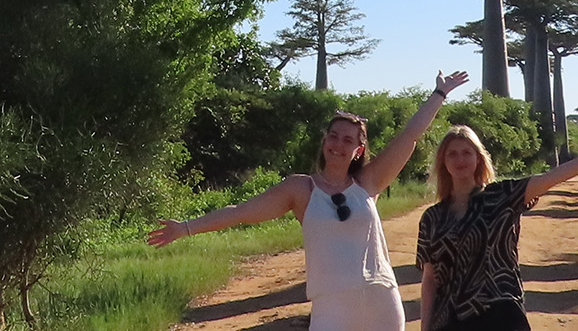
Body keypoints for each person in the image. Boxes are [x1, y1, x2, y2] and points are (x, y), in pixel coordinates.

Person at [147, 71, 472, 331]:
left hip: (381, 299)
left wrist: (439, 93)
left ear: (358, 150)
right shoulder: (300, 189)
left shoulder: (368, 182)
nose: (338, 145)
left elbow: (409, 136)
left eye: (348, 140)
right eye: (334, 136)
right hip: (331, 306)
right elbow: (241, 212)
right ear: (324, 140)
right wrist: (185, 228)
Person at [415, 127, 578, 331]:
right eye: (452, 154)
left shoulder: (503, 195)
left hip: (501, 313)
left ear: (478, 158)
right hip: (451, 320)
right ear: (443, 161)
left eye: (467, 152)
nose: (460, 159)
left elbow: (551, 178)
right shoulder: (432, 218)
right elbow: (430, 280)